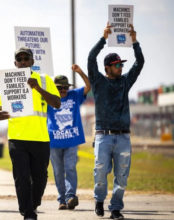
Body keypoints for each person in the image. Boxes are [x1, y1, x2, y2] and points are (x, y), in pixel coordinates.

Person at [0, 47, 60, 220]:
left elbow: (57, 103)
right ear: (15, 63)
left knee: (40, 178)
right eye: (19, 59)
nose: (23, 61)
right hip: (17, 138)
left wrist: (37, 88)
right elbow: (1, 109)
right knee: (21, 177)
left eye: (26, 58)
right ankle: (28, 212)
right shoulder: (9, 81)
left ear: (32, 61)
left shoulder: (45, 80)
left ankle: (33, 203)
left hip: (40, 138)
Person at [88, 23, 144, 220]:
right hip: (103, 136)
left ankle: (116, 208)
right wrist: (103, 39)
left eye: (121, 65)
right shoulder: (98, 81)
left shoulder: (125, 82)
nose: (121, 67)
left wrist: (135, 42)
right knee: (100, 172)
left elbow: (140, 63)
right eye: (117, 65)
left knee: (122, 176)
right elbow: (90, 58)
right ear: (107, 68)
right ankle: (99, 200)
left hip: (123, 138)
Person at [47, 65, 91, 210]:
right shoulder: (48, 98)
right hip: (53, 142)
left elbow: (89, 85)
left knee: (70, 168)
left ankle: (71, 196)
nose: (63, 90)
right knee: (58, 171)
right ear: (54, 88)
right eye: (59, 88)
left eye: (65, 87)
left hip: (72, 141)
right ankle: (62, 200)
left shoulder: (74, 95)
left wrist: (80, 72)